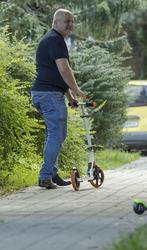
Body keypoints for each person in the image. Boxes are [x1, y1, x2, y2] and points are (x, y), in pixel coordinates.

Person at [31, 9, 86, 189]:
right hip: (49, 96)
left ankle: (52, 174)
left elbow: (54, 73)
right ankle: (45, 176)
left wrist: (69, 96)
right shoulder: (55, 40)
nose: (70, 24)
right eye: (66, 21)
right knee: (56, 134)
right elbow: (64, 69)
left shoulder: (52, 39)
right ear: (55, 23)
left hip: (44, 93)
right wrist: (76, 89)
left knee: (54, 134)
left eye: (71, 21)